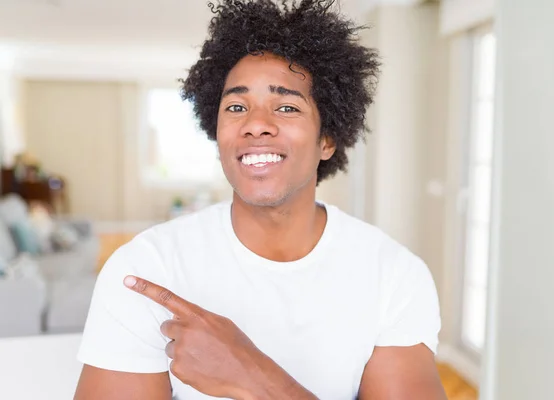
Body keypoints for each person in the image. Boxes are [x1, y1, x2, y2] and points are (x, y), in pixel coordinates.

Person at [74, 1, 446, 399]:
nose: (255, 125)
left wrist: (253, 377)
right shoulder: (148, 269)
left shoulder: (393, 276)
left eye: (286, 107)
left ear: (327, 140)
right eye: (236, 106)